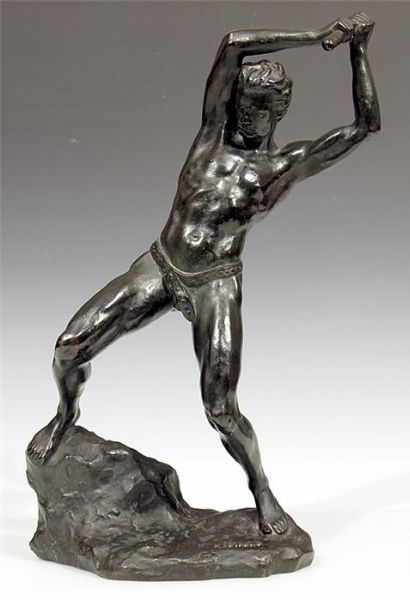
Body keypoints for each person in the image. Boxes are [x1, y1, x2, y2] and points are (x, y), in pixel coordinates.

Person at [27, 12, 380, 535]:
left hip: (215, 283)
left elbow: (364, 127)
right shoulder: (211, 134)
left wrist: (358, 50)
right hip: (161, 265)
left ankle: (262, 488)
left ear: (278, 114)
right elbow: (233, 43)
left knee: (221, 407)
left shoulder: (282, 167)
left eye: (260, 109)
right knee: (69, 346)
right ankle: (65, 414)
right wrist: (315, 37)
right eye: (244, 104)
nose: (247, 115)